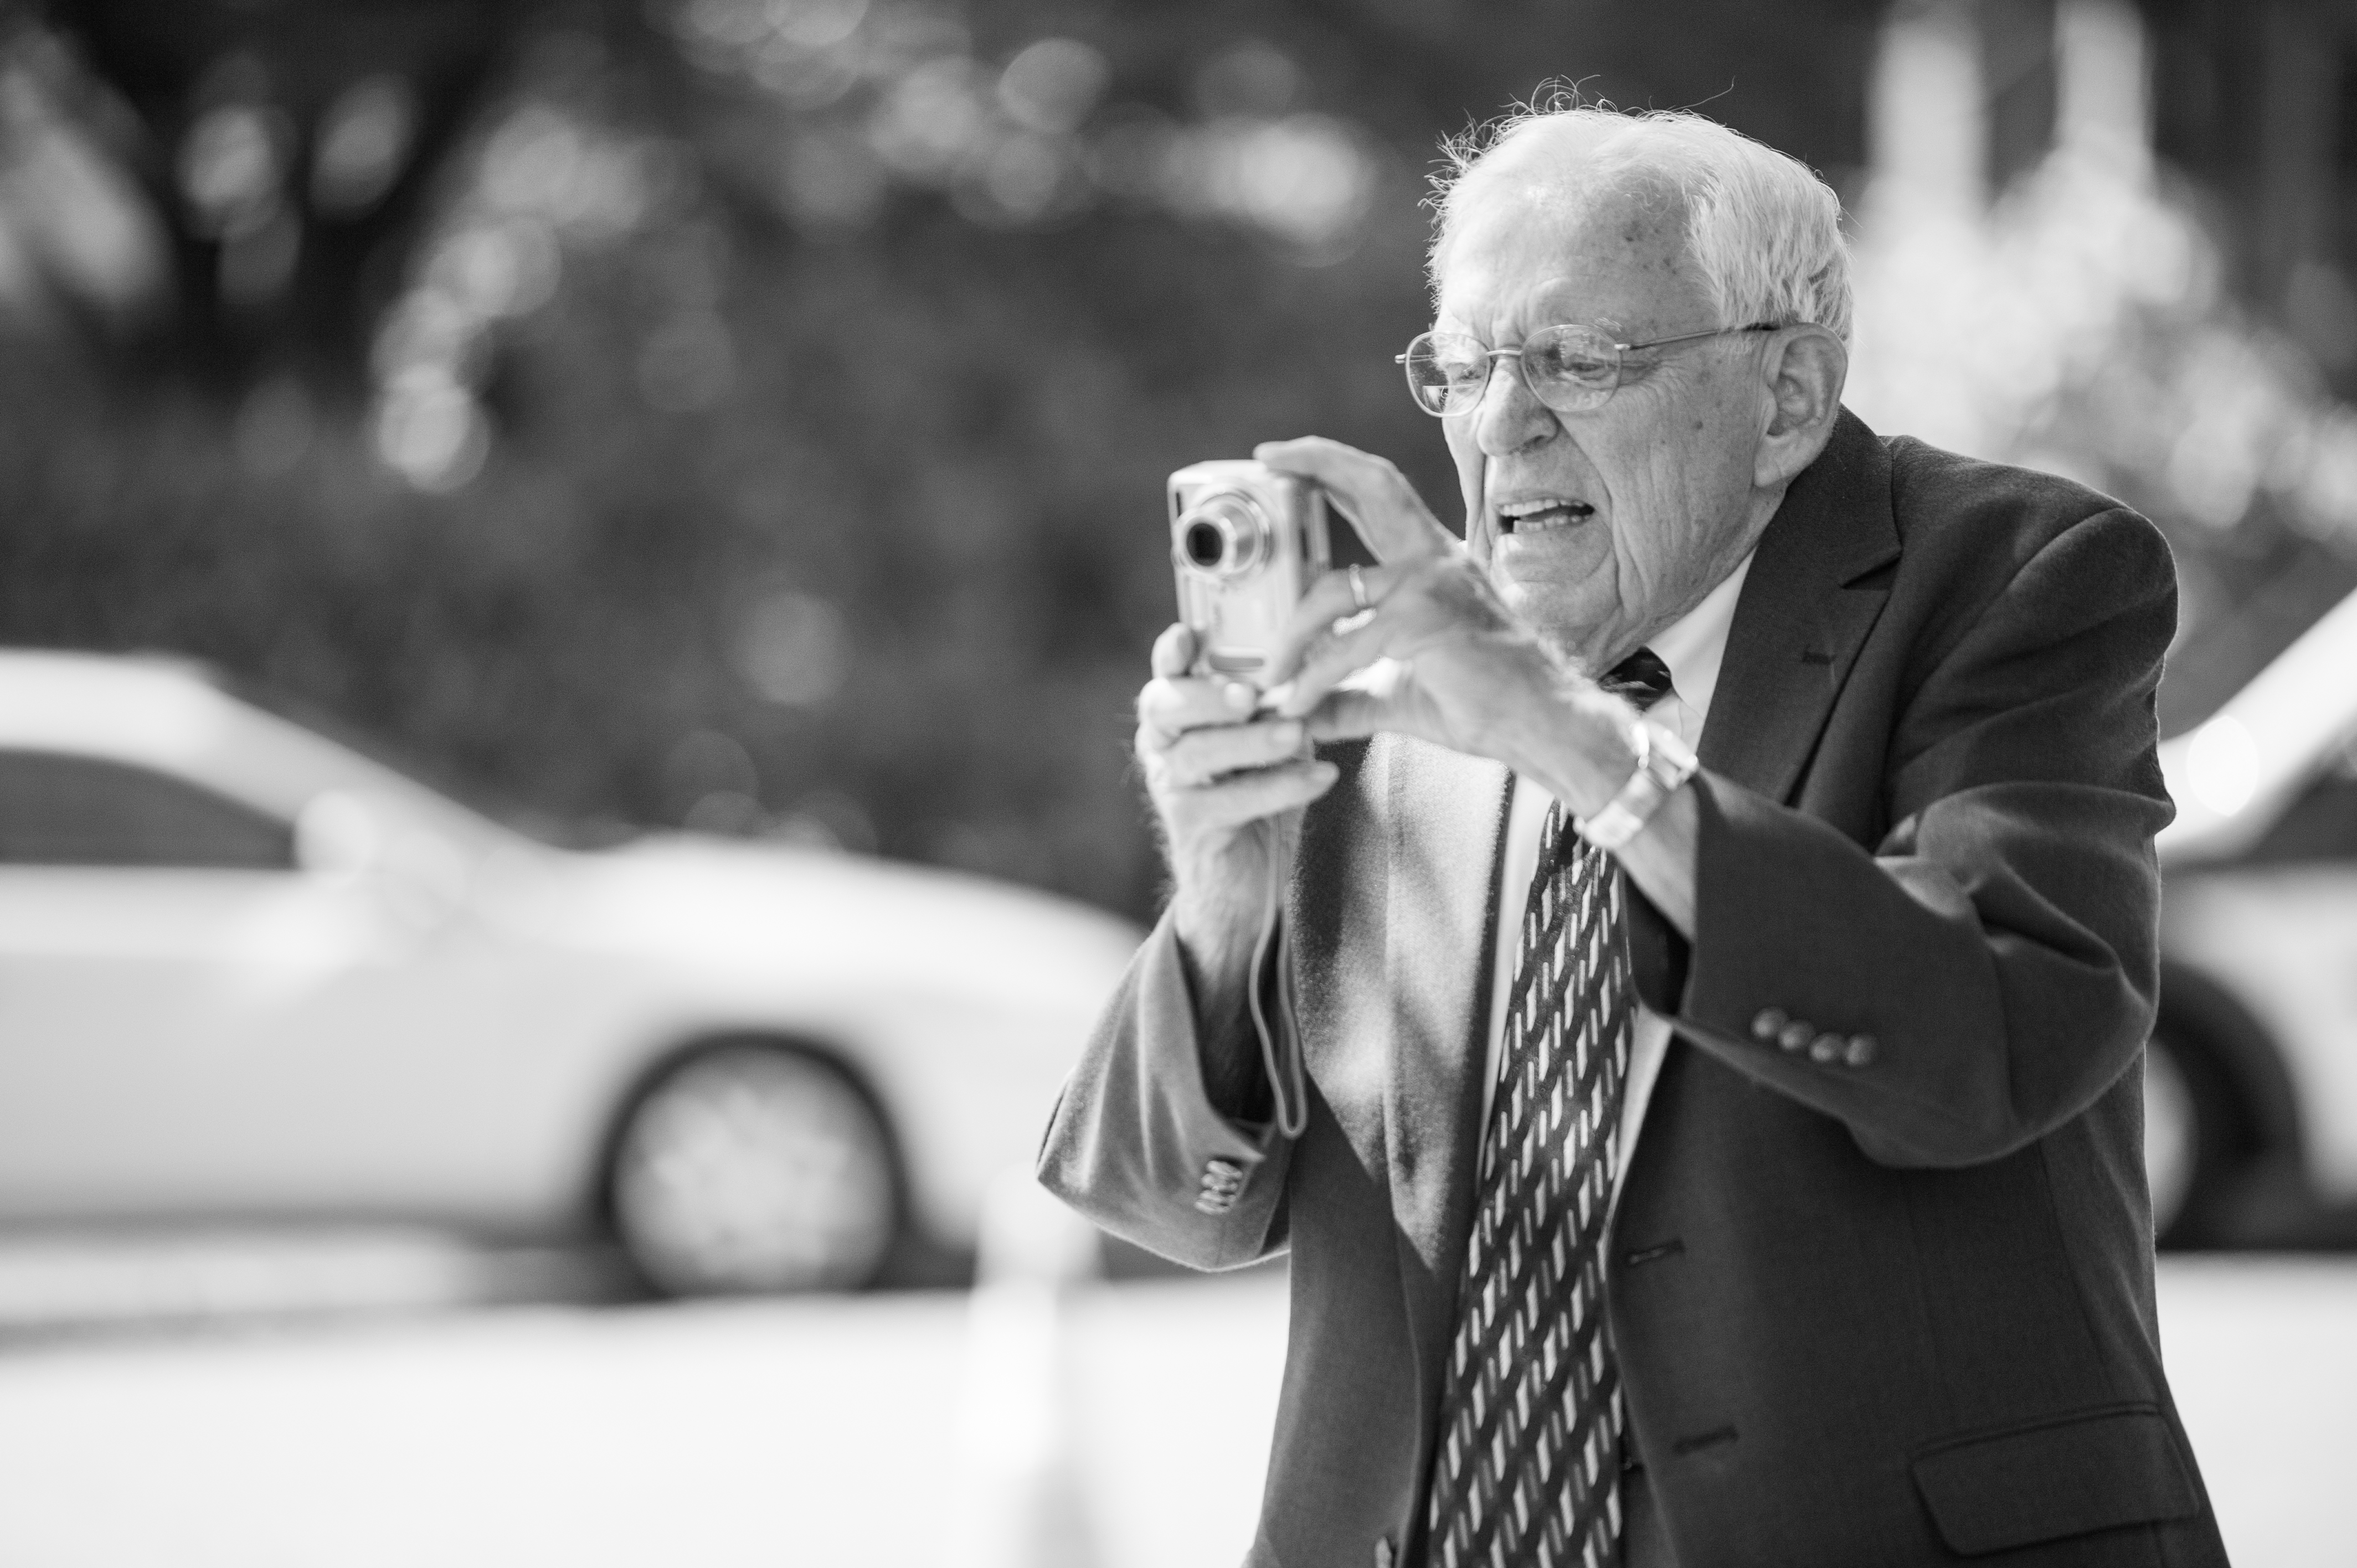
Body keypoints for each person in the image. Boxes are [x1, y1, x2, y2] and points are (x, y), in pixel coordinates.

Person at [1039, 102, 2230, 1568]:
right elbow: (1173, 1208)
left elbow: (1984, 1048)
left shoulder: (2020, 578)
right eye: (1466, 368)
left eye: (1577, 363)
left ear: (1786, 395)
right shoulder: (1396, 663)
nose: (1500, 427)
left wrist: (1570, 738)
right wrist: (1223, 895)